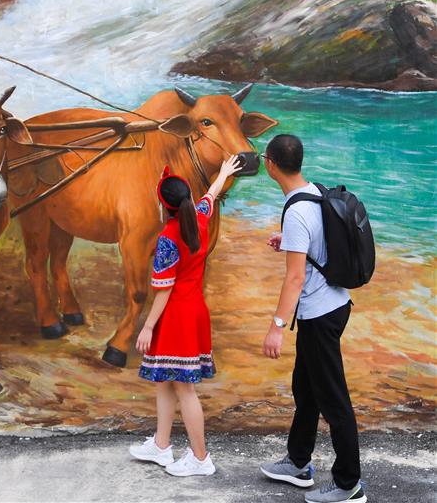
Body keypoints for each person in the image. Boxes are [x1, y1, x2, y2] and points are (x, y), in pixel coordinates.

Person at [259, 134, 366, 503]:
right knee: (306, 389)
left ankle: (349, 485)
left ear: (271, 163)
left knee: (333, 399)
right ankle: (299, 463)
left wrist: (276, 328)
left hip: (319, 314)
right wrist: (288, 240)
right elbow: (320, 240)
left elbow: (295, 278)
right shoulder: (314, 191)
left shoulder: (295, 209)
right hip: (335, 304)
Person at [129, 155, 242, 477]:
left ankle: (200, 458)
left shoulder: (168, 237)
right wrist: (222, 174)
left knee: (183, 388)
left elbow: (163, 289)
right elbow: (211, 195)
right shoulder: (201, 218)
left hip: (176, 315)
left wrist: (147, 327)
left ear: (164, 206)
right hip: (194, 311)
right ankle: (162, 445)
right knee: (166, 379)